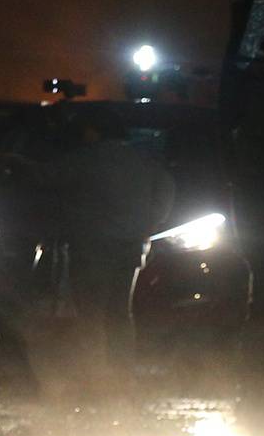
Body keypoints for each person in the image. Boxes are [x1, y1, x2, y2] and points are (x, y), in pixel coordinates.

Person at [48, 114, 175, 385]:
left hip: (92, 247)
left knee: (91, 312)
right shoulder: (142, 162)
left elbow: (49, 177)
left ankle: (94, 373)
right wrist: (149, 222)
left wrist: (16, 163)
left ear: (95, 132)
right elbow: (167, 188)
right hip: (130, 248)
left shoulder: (87, 159)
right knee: (119, 311)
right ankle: (122, 373)